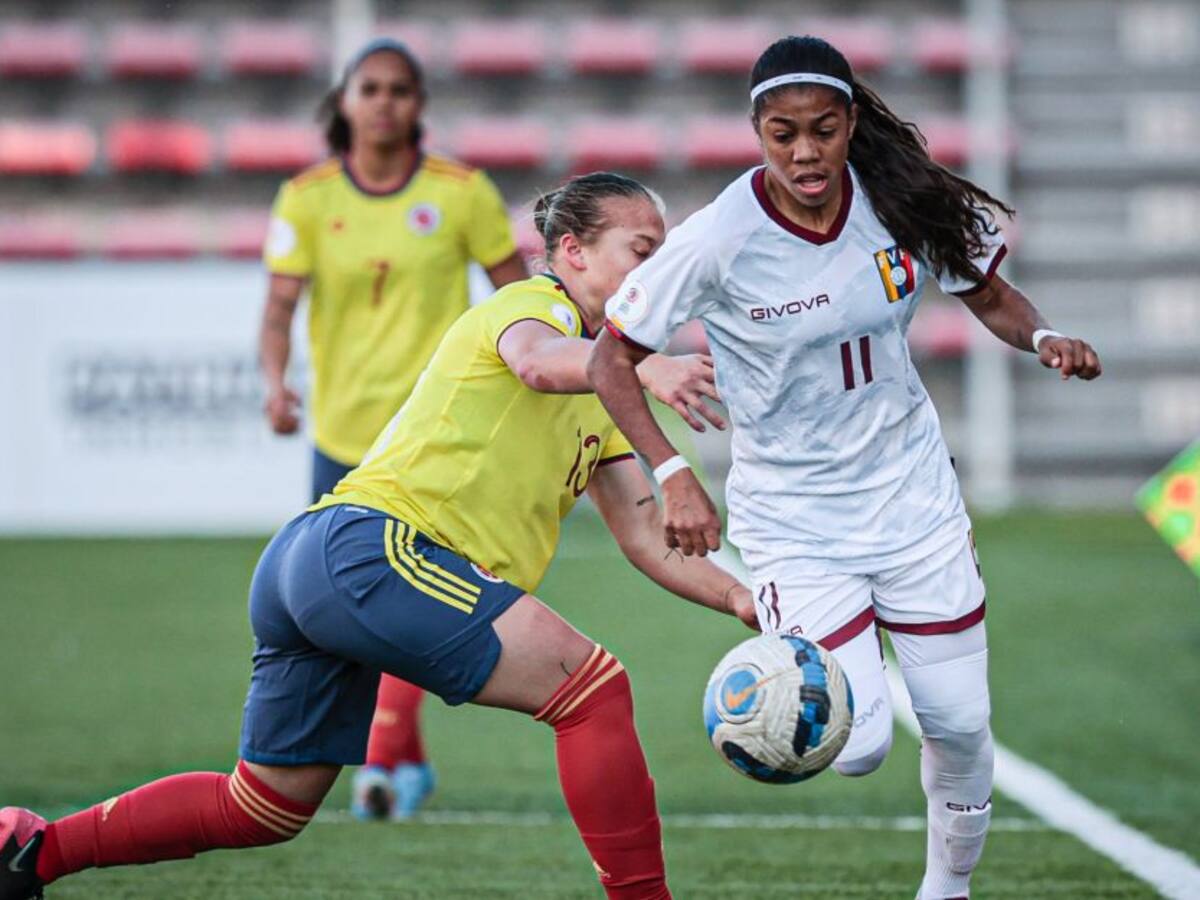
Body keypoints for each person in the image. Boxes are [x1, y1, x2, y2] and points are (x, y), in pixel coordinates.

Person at [0, 172, 757, 900]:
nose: (656, 273)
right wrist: (645, 362)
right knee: (591, 690)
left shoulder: (603, 388)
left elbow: (646, 532)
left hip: (319, 560)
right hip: (371, 549)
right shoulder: (535, 308)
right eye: (642, 250)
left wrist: (743, 601)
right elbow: (533, 364)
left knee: (263, 807)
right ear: (572, 253)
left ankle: (34, 850)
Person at [588, 36, 1101, 900]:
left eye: (822, 130)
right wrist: (674, 471)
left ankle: (947, 889)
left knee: (962, 724)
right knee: (858, 747)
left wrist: (1044, 337)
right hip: (796, 521)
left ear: (850, 123)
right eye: (782, 133)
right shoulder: (720, 236)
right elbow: (611, 359)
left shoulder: (900, 200)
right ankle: (828, 662)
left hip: (913, 502)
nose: (804, 153)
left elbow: (990, 296)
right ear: (756, 132)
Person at [258, 37, 527, 820]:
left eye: (400, 90)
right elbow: (278, 309)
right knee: (349, 621)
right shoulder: (306, 198)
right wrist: (275, 385)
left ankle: (379, 759)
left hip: (435, 442)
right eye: (369, 88)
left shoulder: (462, 191)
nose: (384, 102)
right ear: (344, 102)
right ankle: (395, 762)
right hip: (342, 441)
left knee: (415, 608)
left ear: (420, 105)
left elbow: (520, 296)